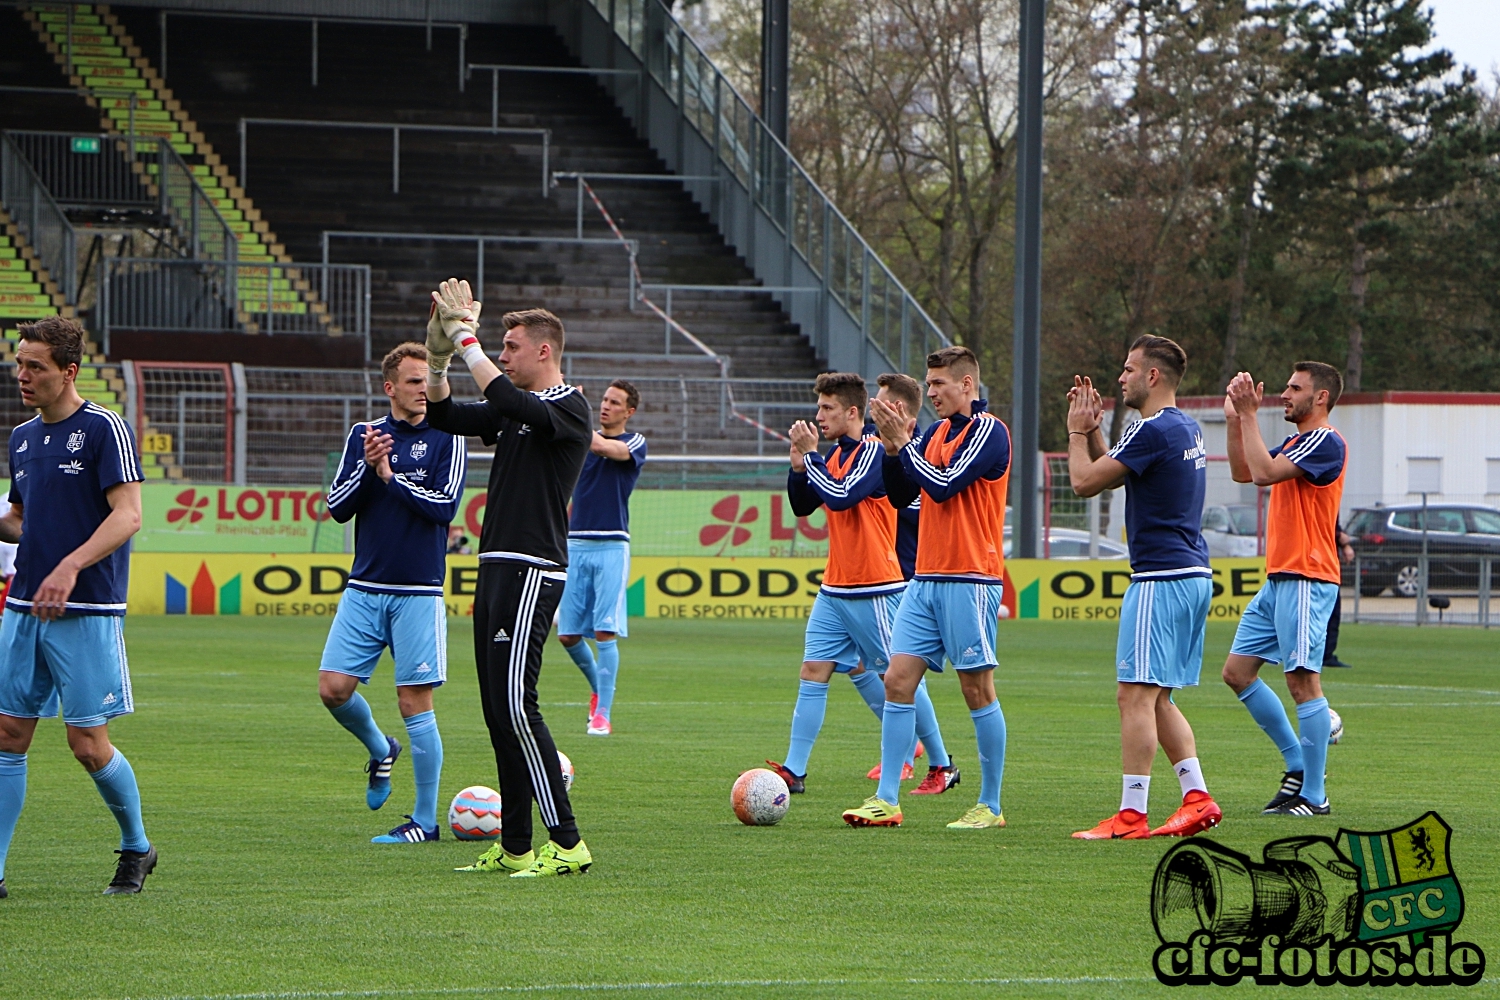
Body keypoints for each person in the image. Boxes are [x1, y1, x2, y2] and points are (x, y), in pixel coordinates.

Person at [423, 281, 594, 877]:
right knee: (498, 709)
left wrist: (464, 337)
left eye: (512, 344)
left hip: (532, 569)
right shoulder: (516, 405)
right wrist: (439, 357)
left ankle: (568, 842)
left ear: (544, 352)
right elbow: (444, 412)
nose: (504, 352)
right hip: (495, 567)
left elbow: (505, 396)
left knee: (519, 706)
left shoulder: (569, 406)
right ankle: (516, 846)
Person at [0, 317, 150, 896]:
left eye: (35, 366)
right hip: (24, 607)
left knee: (87, 744)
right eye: (19, 363)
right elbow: (20, 520)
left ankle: (136, 847)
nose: (22, 375)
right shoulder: (21, 438)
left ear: (68, 371)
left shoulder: (104, 429)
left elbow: (127, 516)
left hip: (87, 607)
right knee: (9, 734)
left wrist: (70, 564)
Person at [842, 347, 1010, 830]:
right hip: (926, 578)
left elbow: (945, 484)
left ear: (967, 385)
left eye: (939, 384)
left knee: (976, 688)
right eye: (930, 384)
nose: (932, 392)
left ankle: (991, 806)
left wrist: (903, 446)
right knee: (897, 681)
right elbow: (902, 495)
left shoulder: (990, 431)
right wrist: (896, 451)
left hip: (970, 577)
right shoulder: (935, 433)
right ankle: (887, 799)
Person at [765, 372, 956, 796]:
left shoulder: (873, 450)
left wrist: (811, 458)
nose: (819, 417)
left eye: (827, 408)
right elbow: (804, 504)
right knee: (813, 670)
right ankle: (795, 770)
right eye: (819, 408)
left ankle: (941, 761)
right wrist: (799, 467)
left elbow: (841, 495)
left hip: (876, 587)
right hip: (836, 588)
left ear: (852, 412)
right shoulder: (833, 455)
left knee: (899, 678)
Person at [1064, 337, 1223, 840]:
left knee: (1132, 695)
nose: (1121, 378)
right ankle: (1196, 797)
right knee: (1157, 699)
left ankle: (1131, 815)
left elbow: (1085, 483)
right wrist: (1093, 434)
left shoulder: (1152, 429)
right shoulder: (1182, 426)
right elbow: (1113, 472)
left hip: (1161, 578)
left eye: (1129, 369)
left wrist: (1074, 433)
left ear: (1152, 377)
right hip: (1192, 574)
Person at [320, 342, 465, 844]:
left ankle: (425, 822)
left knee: (413, 702)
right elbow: (338, 506)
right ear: (390, 387)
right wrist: (367, 467)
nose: (423, 389)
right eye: (412, 381)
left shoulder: (450, 433)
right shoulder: (365, 434)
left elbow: (444, 507)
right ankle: (381, 749)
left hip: (418, 591)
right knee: (333, 689)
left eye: (427, 380)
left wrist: (389, 476)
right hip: (365, 587)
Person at [1221, 362, 1348, 817]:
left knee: (1302, 681)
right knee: (1237, 672)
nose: (1284, 393)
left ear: (1321, 398)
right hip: (1281, 579)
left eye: (1295, 388)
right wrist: (1237, 420)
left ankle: (1316, 796)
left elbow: (1264, 474)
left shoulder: (1325, 440)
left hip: (1306, 577)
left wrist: (1250, 416)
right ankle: (1298, 767)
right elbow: (1243, 470)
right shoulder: (1298, 441)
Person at [557, 379, 647, 737]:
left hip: (611, 544)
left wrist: (571, 409)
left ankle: (603, 714)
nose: (606, 406)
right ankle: (599, 688)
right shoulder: (583, 438)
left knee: (605, 630)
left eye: (615, 402)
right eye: (604, 400)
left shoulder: (633, 442)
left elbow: (605, 448)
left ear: (630, 411)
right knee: (567, 635)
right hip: (575, 544)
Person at [1322, 520, 1354, 668]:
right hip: (1316, 563)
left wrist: (1344, 544)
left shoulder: (1331, 499)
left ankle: (1326, 654)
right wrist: (1339, 536)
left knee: (1332, 612)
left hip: (1329, 564)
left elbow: (1332, 522)